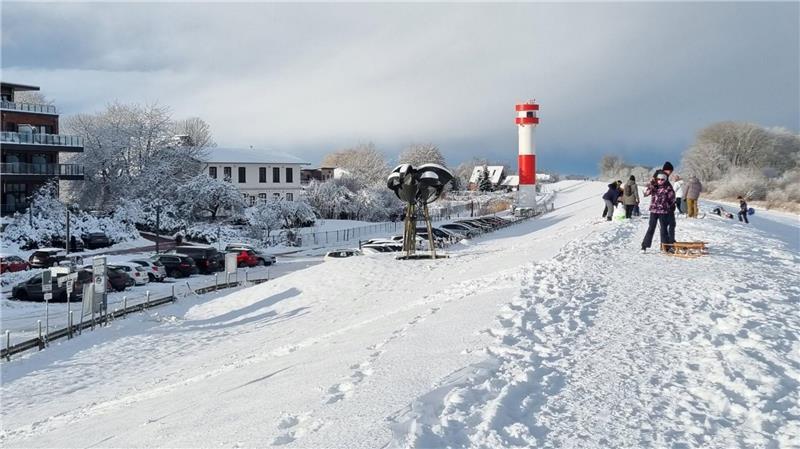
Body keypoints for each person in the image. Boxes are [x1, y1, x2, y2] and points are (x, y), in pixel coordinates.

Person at [641, 170, 676, 252]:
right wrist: (651, 185)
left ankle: (665, 246)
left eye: (662, 179)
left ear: (665, 180)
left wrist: (669, 207)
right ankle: (644, 246)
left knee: (663, 229)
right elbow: (645, 193)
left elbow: (672, 199)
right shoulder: (654, 186)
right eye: (658, 179)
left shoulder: (668, 188)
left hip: (663, 211)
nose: (660, 181)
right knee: (651, 228)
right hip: (654, 211)